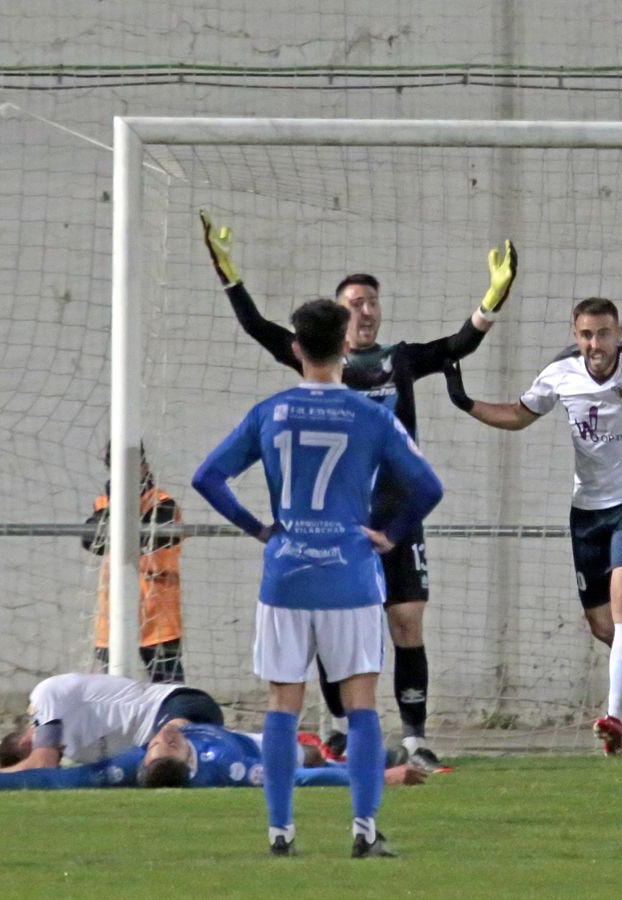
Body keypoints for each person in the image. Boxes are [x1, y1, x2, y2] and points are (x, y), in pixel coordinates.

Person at [200, 211, 512, 770]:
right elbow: (259, 328)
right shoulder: (320, 368)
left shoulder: (402, 359)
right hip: (340, 520)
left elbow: (458, 344)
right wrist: (230, 278)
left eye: (370, 301)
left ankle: (414, 735)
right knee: (329, 624)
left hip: (395, 516)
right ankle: (342, 727)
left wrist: (492, 300)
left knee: (406, 620)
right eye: (352, 303)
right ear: (334, 322)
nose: (363, 310)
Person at [193, 298, 444, 858]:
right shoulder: (372, 415)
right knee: (360, 704)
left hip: (285, 574)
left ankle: (280, 834)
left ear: (297, 348)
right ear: (344, 347)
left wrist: (258, 528)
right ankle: (364, 830)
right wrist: (390, 533)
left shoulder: (271, 411)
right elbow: (428, 486)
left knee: (283, 704)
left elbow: (208, 477)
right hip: (350, 574)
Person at [440, 297, 622, 756]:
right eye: (586, 334)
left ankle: (616, 721)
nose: (595, 344)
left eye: (603, 333)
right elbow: (518, 415)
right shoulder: (560, 373)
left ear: (618, 332)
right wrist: (465, 402)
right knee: (604, 626)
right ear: (576, 335)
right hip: (588, 509)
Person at [0, 722, 427, 790]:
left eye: (155, 742)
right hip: (268, 743)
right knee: (316, 759)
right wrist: (384, 777)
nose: (161, 736)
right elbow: (297, 783)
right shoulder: (232, 768)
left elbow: (60, 782)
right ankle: (389, 758)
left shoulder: (130, 766)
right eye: (165, 741)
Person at [83, 442, 185, 683]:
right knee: (113, 693)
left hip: (159, 618)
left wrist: (123, 501)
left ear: (144, 466)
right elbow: (92, 543)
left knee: (168, 690)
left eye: (131, 466)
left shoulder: (163, 502)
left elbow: (142, 538)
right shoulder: (103, 504)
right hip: (113, 616)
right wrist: (116, 496)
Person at [0, 673, 225, 772]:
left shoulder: (44, 696)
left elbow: (43, 763)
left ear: (24, 743)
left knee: (168, 750)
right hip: (166, 738)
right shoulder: (75, 752)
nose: (59, 758)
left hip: (176, 704)